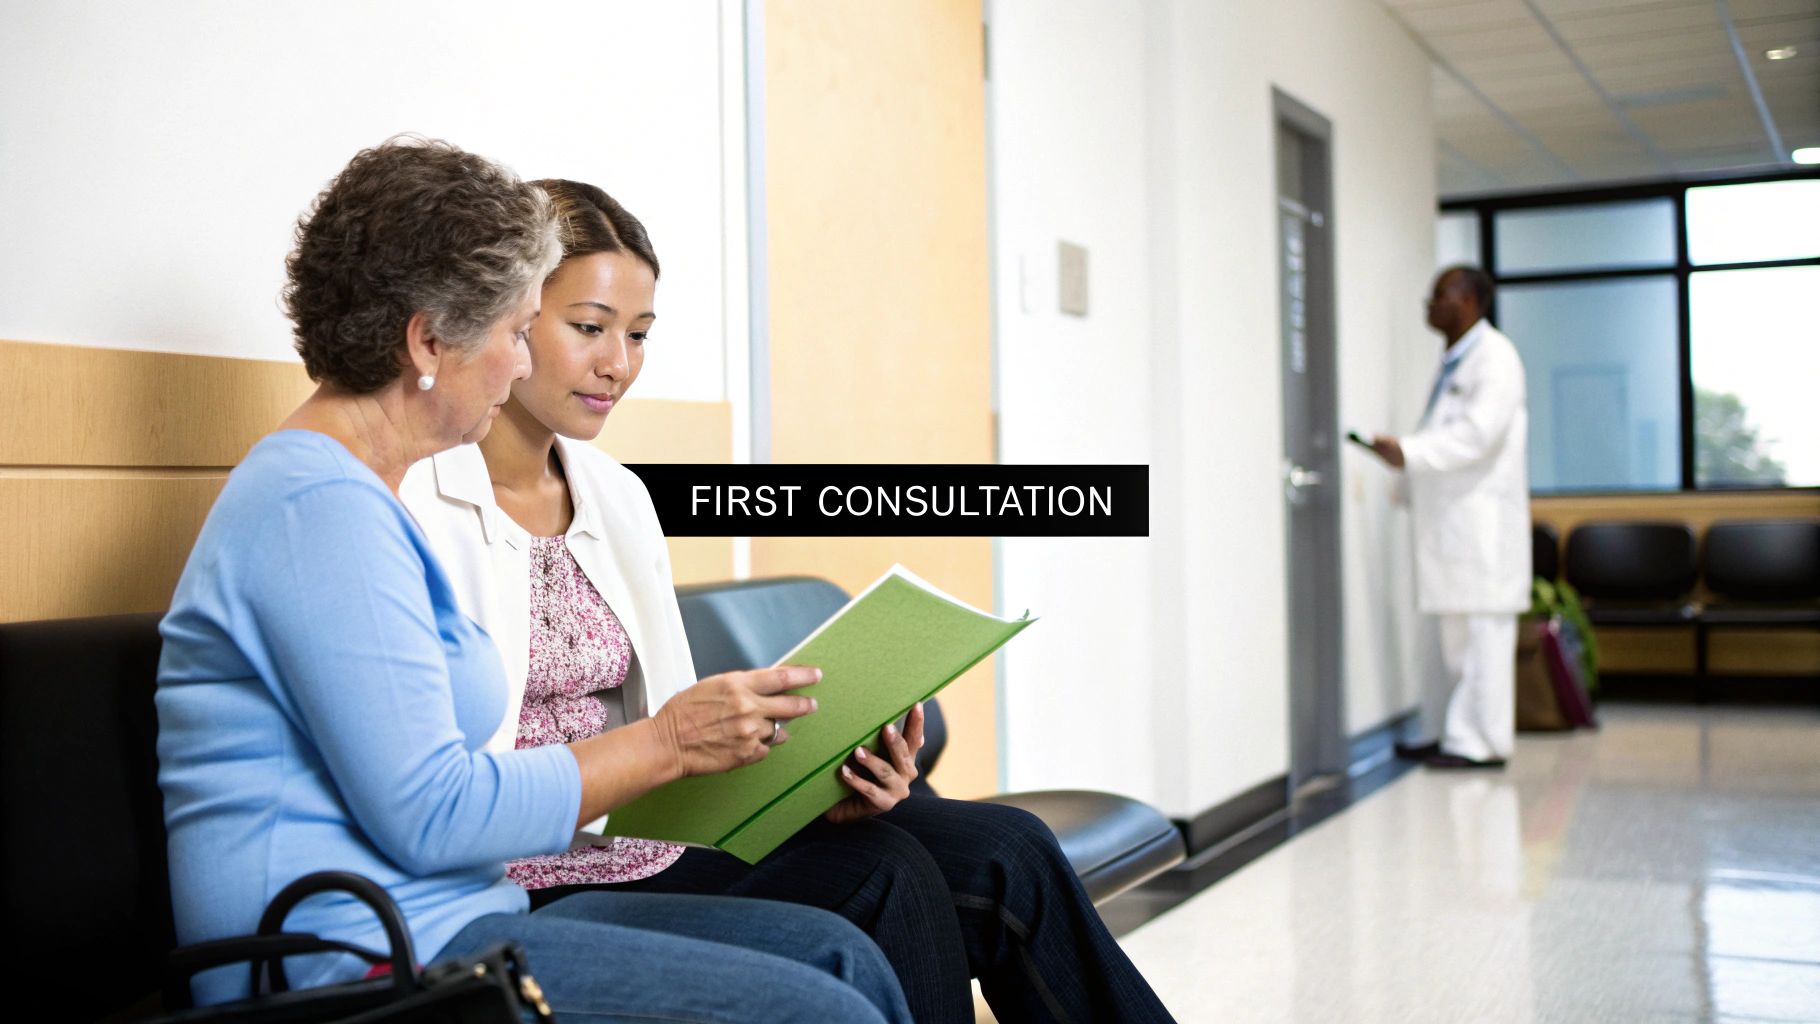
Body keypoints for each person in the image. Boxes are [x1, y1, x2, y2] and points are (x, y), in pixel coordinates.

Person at [155, 137, 911, 1023]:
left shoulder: (358, 498)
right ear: (429, 340)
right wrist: (666, 742)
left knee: (842, 961)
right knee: (828, 1012)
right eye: (517, 333)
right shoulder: (315, 509)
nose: (521, 365)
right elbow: (432, 813)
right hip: (358, 972)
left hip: (460, 927)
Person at [400, 179, 1177, 1024]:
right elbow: (442, 784)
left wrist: (810, 783)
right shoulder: (414, 501)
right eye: (588, 327)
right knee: (889, 874)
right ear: (508, 320)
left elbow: (670, 728)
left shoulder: (616, 495)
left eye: (638, 335)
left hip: (654, 842)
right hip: (530, 879)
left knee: (1005, 850)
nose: (617, 363)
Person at [1366, 265, 1530, 770]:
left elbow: (1479, 437)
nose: (1429, 305)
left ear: (1469, 301)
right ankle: (1452, 733)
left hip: (1482, 529)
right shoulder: (1454, 362)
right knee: (1454, 643)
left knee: (1482, 642)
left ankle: (1482, 743)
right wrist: (1406, 466)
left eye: (1439, 295)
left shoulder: (1495, 358)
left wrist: (1410, 453)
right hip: (1450, 526)